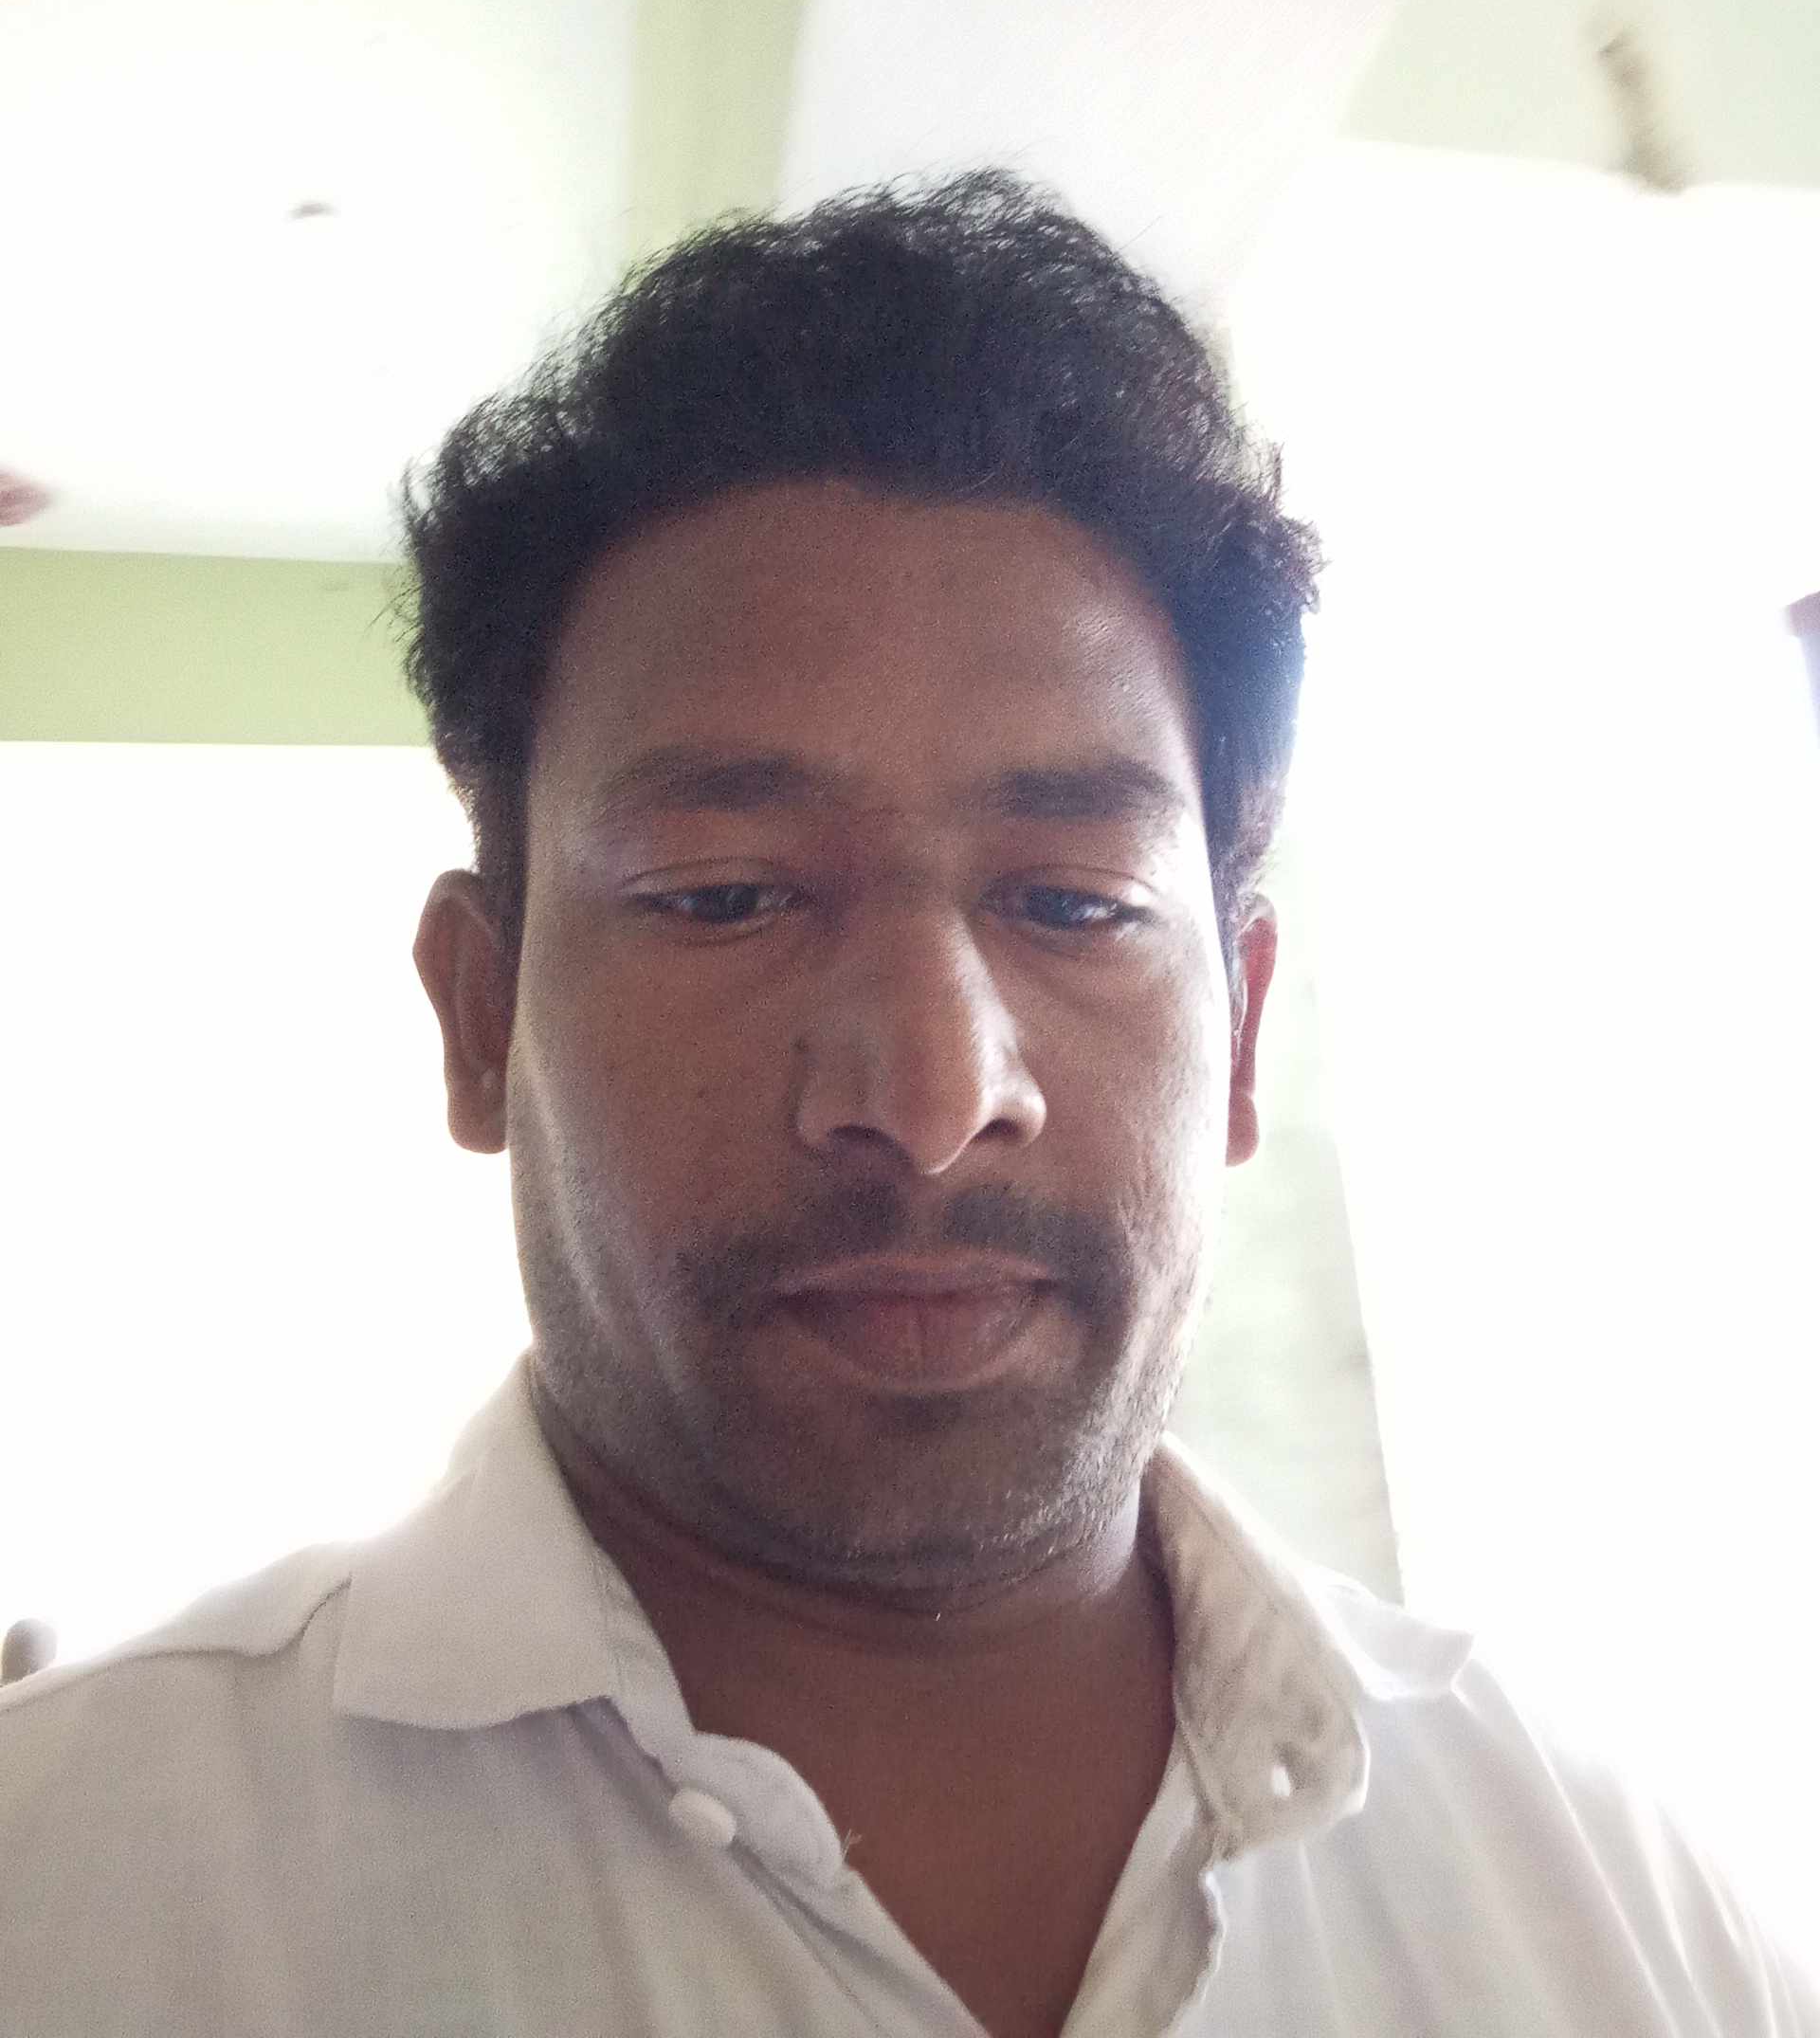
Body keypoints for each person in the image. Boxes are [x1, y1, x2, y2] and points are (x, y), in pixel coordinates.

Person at [0, 175, 1812, 2035]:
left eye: (1075, 904)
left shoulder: (1620, 1915)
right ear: (479, 1018)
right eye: (727, 893)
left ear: (1243, 1034)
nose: (932, 1099)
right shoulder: (69, 1893)